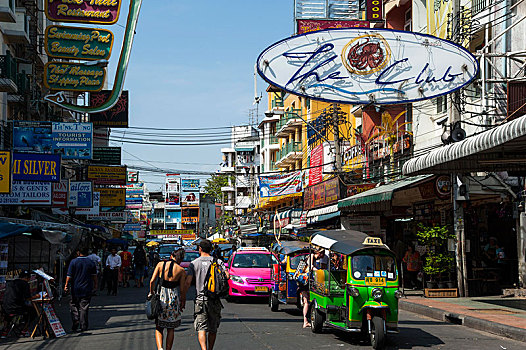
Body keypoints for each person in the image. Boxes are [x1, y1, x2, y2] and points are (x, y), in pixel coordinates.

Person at [185, 240, 230, 350]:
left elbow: (187, 282)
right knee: (213, 328)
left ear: (200, 249)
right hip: (214, 299)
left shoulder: (194, 264)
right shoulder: (218, 261)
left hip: (200, 300)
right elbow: (227, 276)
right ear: (211, 249)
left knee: (201, 328)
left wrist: (182, 297)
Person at [149, 249, 187, 350]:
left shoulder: (160, 264)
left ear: (171, 256)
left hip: (161, 295)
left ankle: (160, 348)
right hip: (173, 298)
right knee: (171, 328)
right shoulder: (181, 270)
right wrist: (183, 301)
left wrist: (151, 292)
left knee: (159, 326)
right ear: (181, 259)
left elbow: (152, 280)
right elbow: (182, 290)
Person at [65, 248, 97, 332]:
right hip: (87, 288)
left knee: (73, 304)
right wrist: (95, 286)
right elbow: (94, 276)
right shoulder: (91, 262)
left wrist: (66, 285)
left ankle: (76, 319)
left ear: (78, 253)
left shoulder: (73, 262)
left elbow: (69, 276)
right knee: (84, 307)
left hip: (75, 288)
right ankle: (83, 325)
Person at [1, 270, 37, 337]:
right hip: (16, 308)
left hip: (5, 307)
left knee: (8, 312)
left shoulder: (11, 282)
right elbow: (28, 298)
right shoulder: (25, 284)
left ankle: (5, 330)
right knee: (33, 312)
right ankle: (24, 330)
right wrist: (37, 296)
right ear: (27, 278)